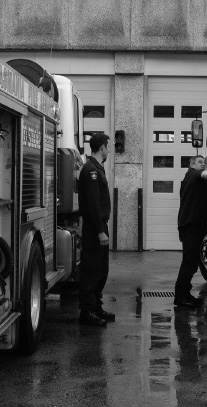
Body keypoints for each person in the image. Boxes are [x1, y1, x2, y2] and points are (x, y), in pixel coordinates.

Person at [77, 133, 114, 326]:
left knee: (101, 269)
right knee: (92, 269)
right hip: (94, 228)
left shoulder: (97, 168)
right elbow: (92, 204)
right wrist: (100, 230)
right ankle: (87, 311)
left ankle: (96, 307)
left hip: (99, 226)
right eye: (108, 146)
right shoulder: (91, 170)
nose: (110, 150)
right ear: (102, 148)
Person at [174, 155, 207, 307]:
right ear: (192, 165)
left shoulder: (192, 179)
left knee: (192, 262)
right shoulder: (194, 174)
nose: (203, 165)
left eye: (204, 162)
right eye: (200, 162)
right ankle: (180, 297)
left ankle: (185, 294)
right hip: (191, 226)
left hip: (193, 225)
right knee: (189, 262)